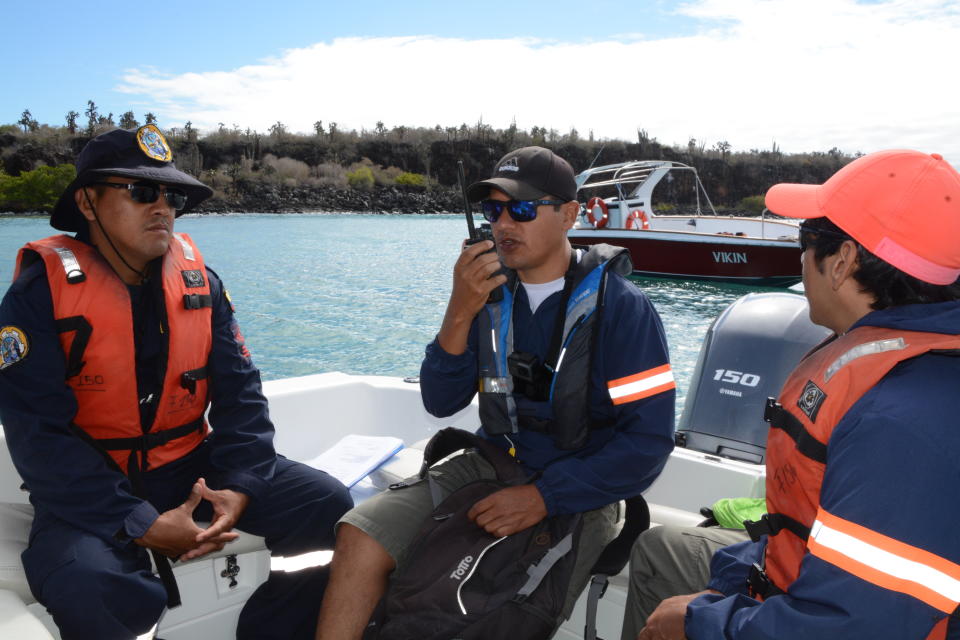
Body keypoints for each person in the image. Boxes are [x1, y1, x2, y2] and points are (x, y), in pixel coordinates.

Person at [0, 125, 353, 640]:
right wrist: (137, 520)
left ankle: (269, 629)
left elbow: (242, 397)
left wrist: (239, 486)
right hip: (92, 485)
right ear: (87, 202)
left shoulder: (200, 284)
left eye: (172, 195)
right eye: (142, 192)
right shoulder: (38, 297)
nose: (162, 206)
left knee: (326, 504)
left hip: (190, 467)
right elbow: (38, 436)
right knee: (86, 582)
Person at [315, 146, 676, 639]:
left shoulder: (624, 310)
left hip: (583, 486)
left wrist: (544, 497)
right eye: (493, 210)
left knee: (490, 610)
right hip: (492, 460)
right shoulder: (483, 293)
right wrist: (459, 310)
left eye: (522, 208)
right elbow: (440, 401)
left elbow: (648, 445)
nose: (504, 223)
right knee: (359, 534)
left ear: (569, 214)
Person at [634, 149, 960, 640]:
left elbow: (855, 628)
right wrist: (727, 587)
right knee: (662, 551)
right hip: (802, 585)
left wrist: (704, 621)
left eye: (803, 244)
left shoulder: (897, 423)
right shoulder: (907, 368)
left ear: (842, 262)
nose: (800, 261)